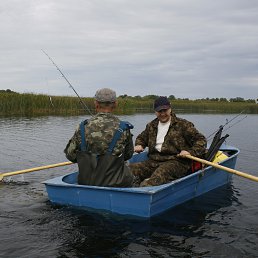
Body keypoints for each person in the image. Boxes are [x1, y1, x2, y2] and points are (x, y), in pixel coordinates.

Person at [130, 96, 207, 187]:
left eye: (165, 110)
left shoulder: (183, 125)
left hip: (176, 162)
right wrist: (140, 144)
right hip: (153, 161)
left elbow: (201, 140)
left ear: (170, 109)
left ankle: (143, 191)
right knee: (126, 171)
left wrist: (190, 152)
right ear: (155, 111)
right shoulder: (151, 125)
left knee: (155, 179)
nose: (162, 114)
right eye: (159, 111)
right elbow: (141, 138)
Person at [64, 88, 134, 187]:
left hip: (87, 182)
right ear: (115, 104)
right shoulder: (123, 128)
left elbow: (70, 155)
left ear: (96, 104)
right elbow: (128, 155)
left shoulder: (82, 127)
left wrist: (89, 158)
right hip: (115, 183)